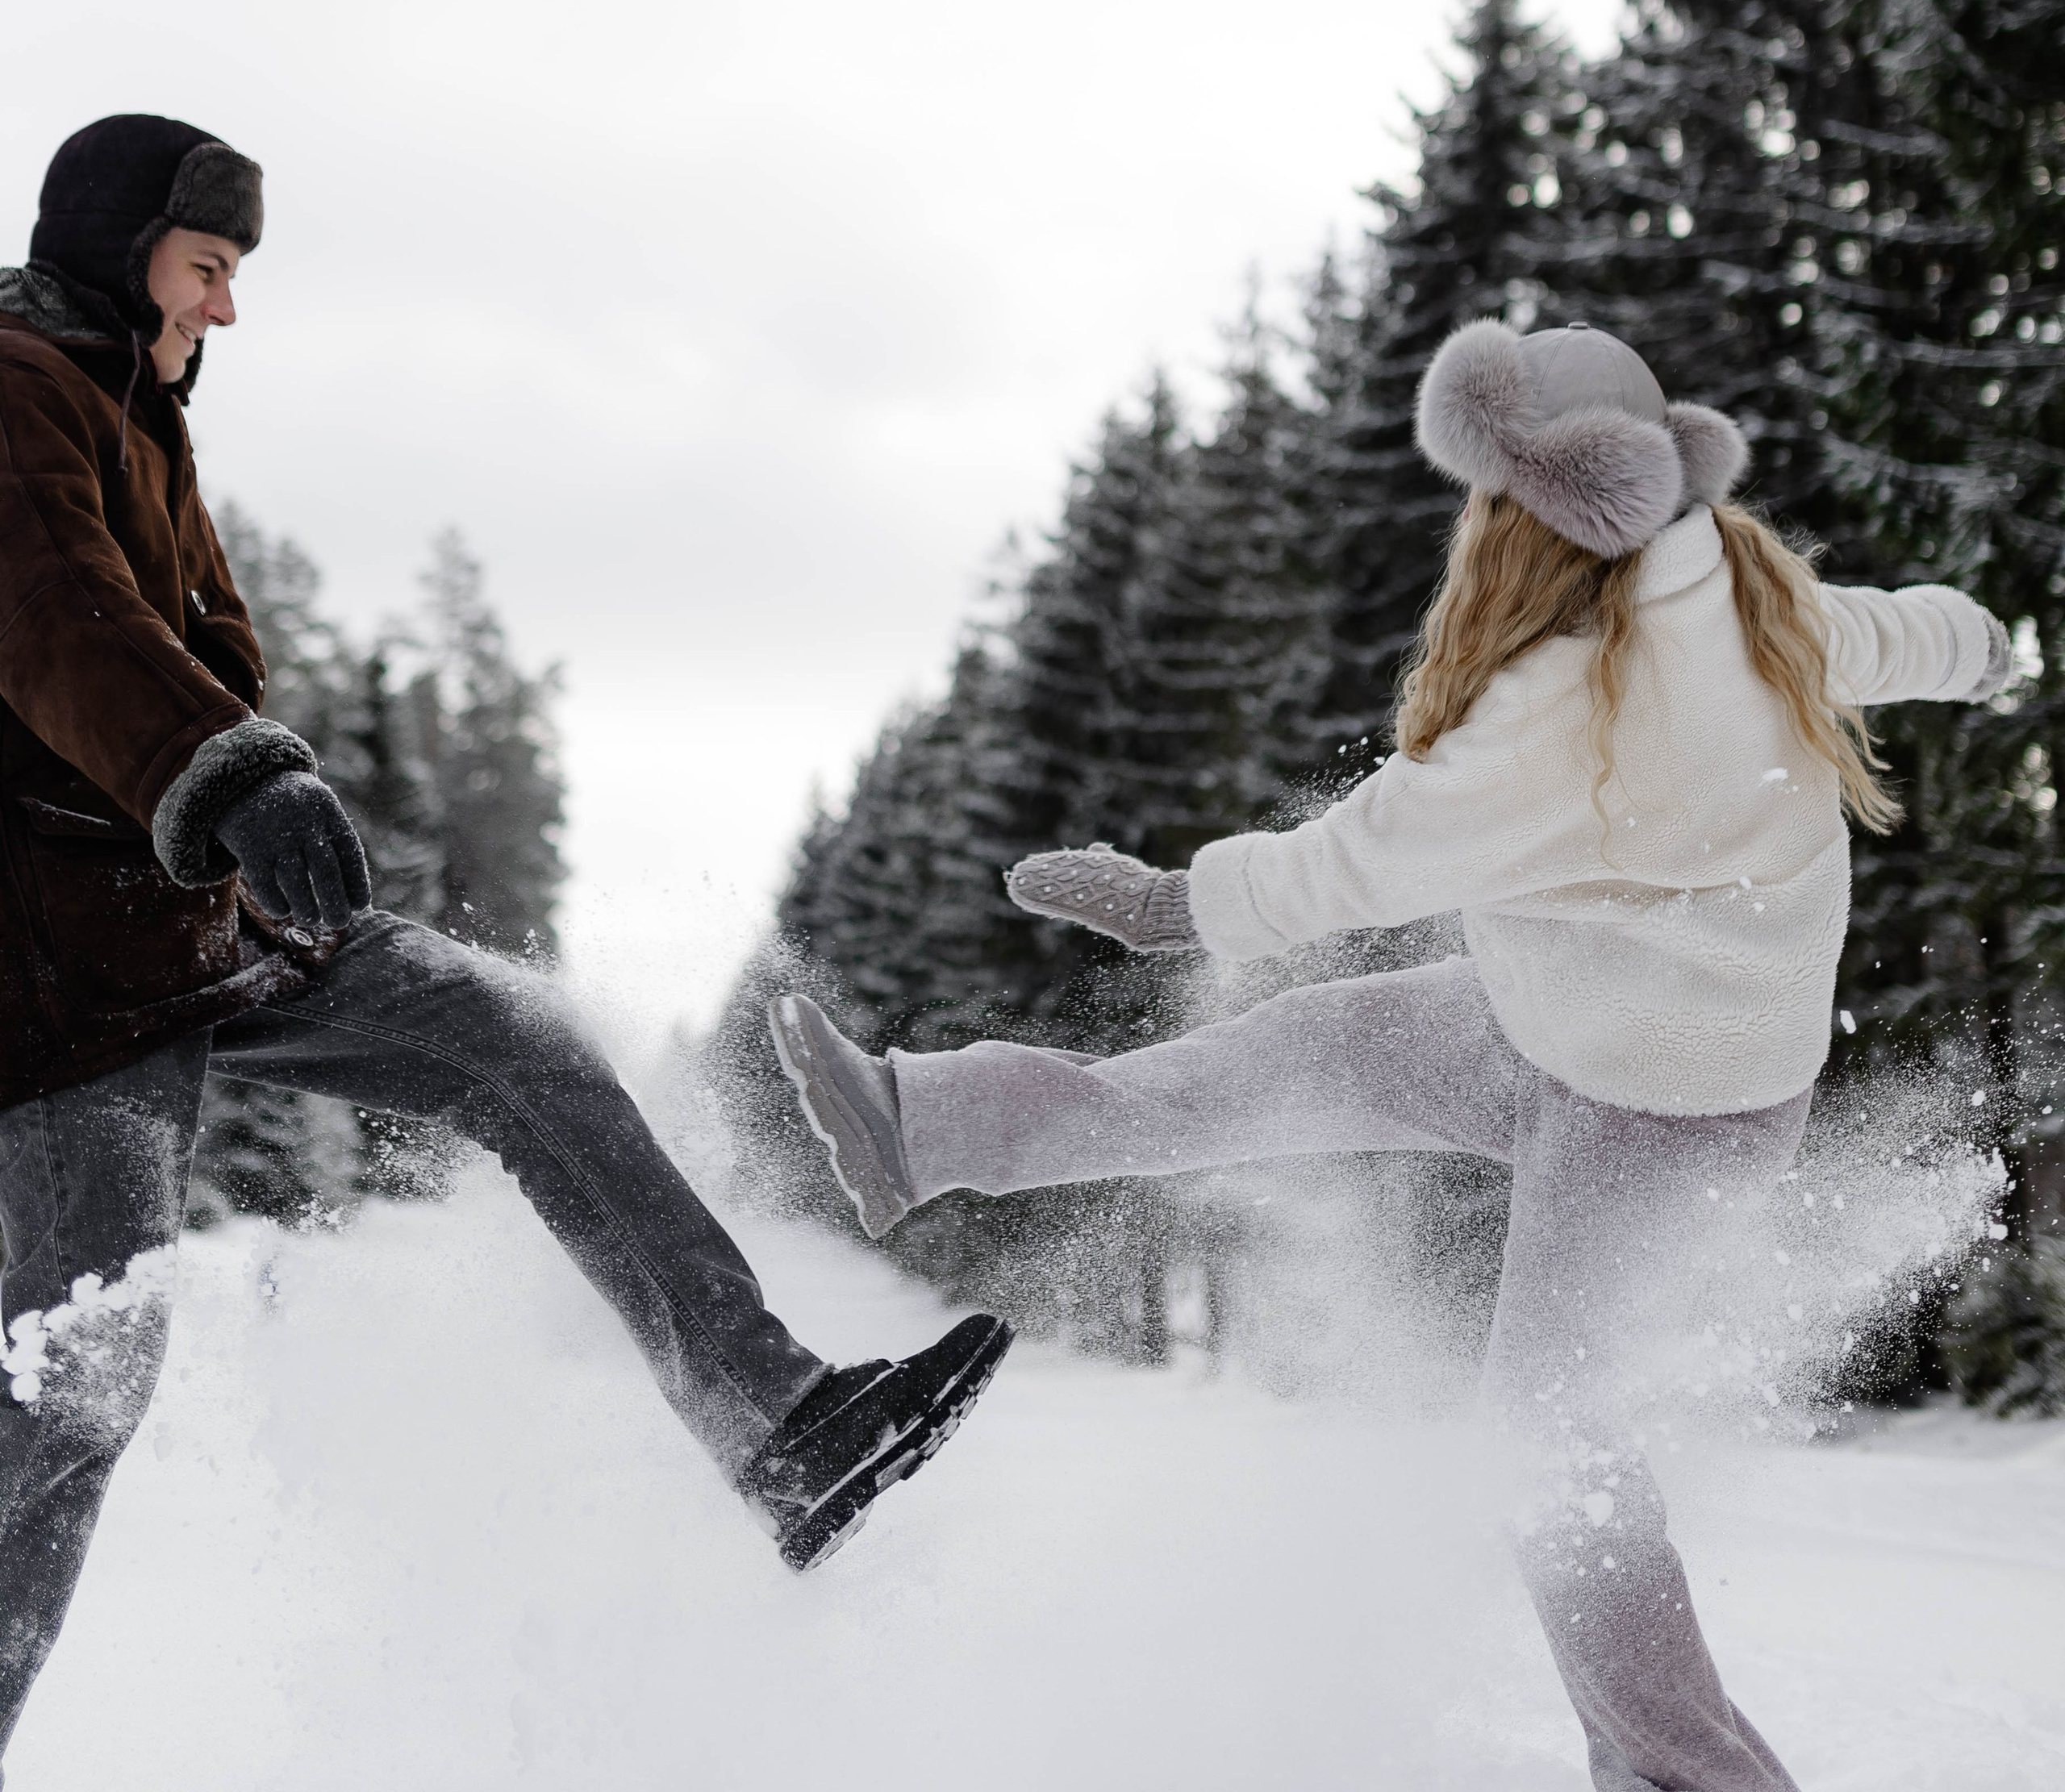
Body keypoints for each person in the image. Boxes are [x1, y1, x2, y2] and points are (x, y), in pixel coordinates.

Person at [768, 317, 2009, 1792]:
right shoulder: (1767, 603)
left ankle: (1695, 1781)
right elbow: (1919, 628)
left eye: (1487, 493)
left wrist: (1177, 904)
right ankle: (932, 1127)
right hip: (1542, 1024)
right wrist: (1996, 649)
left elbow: (1363, 859)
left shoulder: (1582, 704)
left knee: (1558, 1455)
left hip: (1664, 1123)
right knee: (1279, 1059)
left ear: (1538, 512)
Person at [0, 115, 1009, 1768]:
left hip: (187, 921)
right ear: (120, 257)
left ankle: (779, 1430)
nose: (229, 310)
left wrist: (233, 761)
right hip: (52, 983)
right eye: (208, 268)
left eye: (235, 274)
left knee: (514, 1042)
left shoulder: (135, 404)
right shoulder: (17, 388)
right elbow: (57, 623)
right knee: (78, 1381)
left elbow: (193, 640)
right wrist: (224, 767)